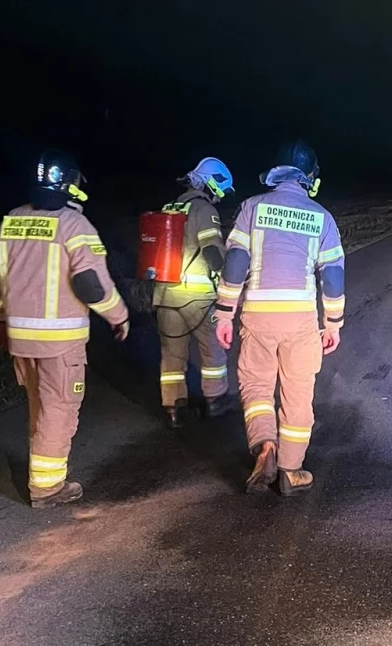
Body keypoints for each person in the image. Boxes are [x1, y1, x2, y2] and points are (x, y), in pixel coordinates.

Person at [0, 149, 129, 508]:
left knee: (39, 406)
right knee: (59, 409)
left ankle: (40, 474)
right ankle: (47, 487)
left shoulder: (10, 221)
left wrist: (2, 319)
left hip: (21, 339)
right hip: (60, 342)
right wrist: (119, 315)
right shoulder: (75, 226)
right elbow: (91, 285)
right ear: (71, 184)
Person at [214, 140, 345, 496]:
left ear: (275, 173)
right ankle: (291, 470)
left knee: (256, 385)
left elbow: (236, 263)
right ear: (309, 177)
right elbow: (332, 276)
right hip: (301, 320)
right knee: (298, 392)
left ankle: (265, 446)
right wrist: (333, 323)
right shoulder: (322, 217)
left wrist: (225, 314)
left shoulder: (252, 209)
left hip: (257, 314)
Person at [154, 158, 235, 427]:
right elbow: (212, 250)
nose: (219, 198)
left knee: (172, 354)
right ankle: (215, 400)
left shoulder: (170, 206)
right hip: (197, 298)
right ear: (212, 183)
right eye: (220, 192)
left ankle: (174, 408)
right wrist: (226, 277)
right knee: (212, 351)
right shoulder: (203, 209)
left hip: (166, 295)